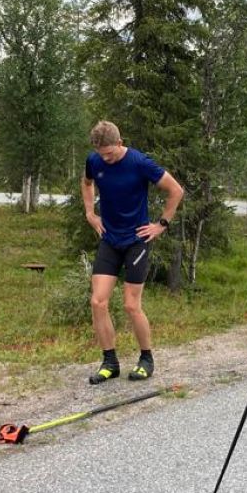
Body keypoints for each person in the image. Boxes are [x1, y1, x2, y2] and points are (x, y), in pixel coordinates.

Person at [82, 121, 184, 384]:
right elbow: (87, 182)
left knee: (130, 305)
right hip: (109, 239)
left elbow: (176, 190)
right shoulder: (94, 160)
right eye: (102, 154)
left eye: (109, 153)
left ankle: (146, 359)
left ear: (120, 142)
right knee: (98, 302)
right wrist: (90, 213)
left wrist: (161, 224)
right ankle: (110, 362)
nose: (106, 159)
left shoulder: (140, 162)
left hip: (136, 240)